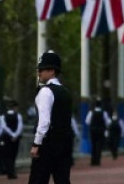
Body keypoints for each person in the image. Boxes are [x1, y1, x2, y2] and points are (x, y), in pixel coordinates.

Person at [28, 50, 74, 184]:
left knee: (37, 179)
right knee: (62, 180)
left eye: (42, 69)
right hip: (65, 143)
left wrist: (37, 143)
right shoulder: (66, 92)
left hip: (48, 144)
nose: (39, 73)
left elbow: (44, 122)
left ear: (52, 71)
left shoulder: (46, 91)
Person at [0, 100, 24, 179]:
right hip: (15, 139)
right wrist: (15, 135)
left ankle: (10, 171)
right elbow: (20, 126)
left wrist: (11, 134)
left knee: (7, 155)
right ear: (14, 107)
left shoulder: (3, 116)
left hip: (7, 138)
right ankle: (12, 171)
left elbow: (4, 127)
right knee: (13, 155)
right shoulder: (18, 115)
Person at [84, 99, 110, 166]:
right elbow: (107, 122)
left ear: (95, 105)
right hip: (101, 130)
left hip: (93, 131)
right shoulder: (104, 113)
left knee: (93, 145)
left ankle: (93, 160)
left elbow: (87, 121)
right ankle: (98, 160)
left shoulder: (91, 112)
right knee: (99, 145)